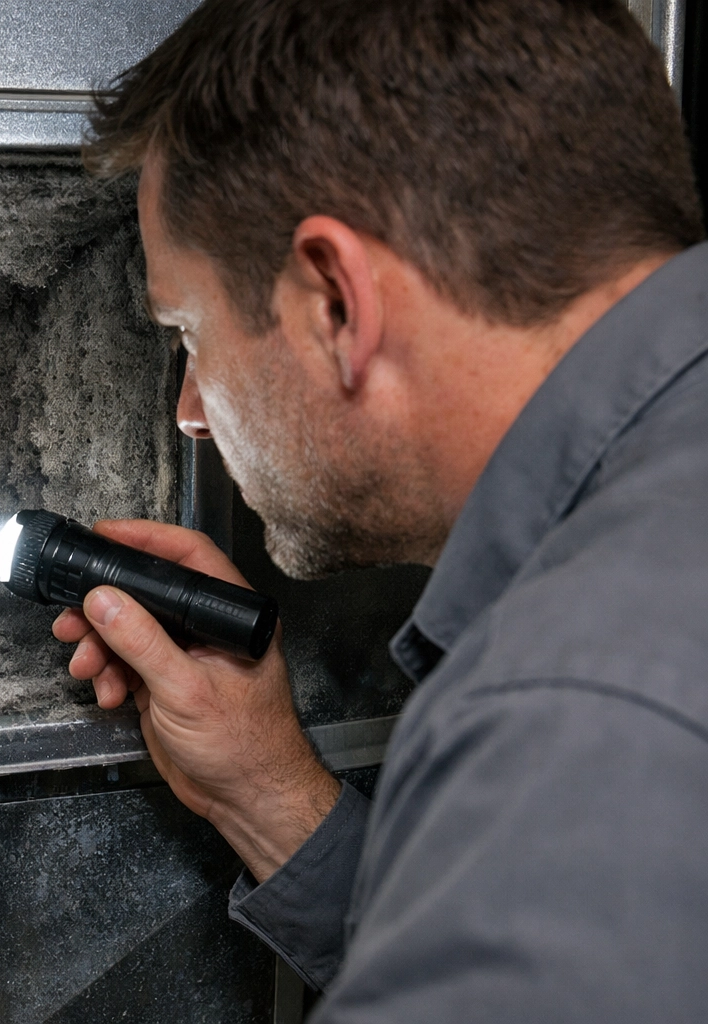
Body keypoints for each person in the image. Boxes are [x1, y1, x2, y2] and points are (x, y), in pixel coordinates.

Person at [51, 0, 708, 1017]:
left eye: (189, 336)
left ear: (336, 305)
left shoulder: (573, 716)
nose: (188, 415)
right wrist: (264, 791)